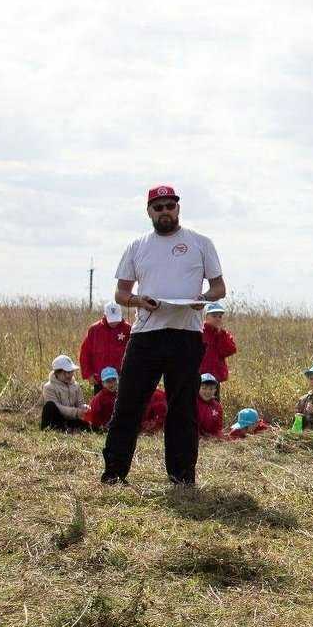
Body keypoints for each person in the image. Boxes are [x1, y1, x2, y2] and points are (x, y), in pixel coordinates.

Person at [100, 185, 225, 485]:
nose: (165, 211)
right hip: (146, 335)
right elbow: (121, 292)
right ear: (149, 212)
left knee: (182, 408)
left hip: (186, 333)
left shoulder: (200, 243)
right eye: (158, 207)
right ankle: (114, 473)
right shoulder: (137, 246)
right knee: (128, 403)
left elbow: (219, 287)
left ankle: (182, 477)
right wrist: (138, 301)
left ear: (178, 209)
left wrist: (204, 299)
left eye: (170, 205)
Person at [78, 302, 131, 385]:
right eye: (111, 319)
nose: (114, 323)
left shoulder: (128, 329)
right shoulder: (94, 330)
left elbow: (135, 353)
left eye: (116, 319)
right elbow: (85, 353)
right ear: (105, 315)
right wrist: (89, 374)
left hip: (122, 379)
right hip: (100, 379)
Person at [40, 355, 91, 432]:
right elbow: (58, 407)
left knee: (91, 426)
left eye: (71, 372)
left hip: (72, 419)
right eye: (67, 372)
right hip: (58, 418)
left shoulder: (76, 385)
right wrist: (77, 412)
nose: (70, 375)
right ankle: (53, 429)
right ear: (57, 372)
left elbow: (80, 403)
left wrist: (84, 408)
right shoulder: (48, 387)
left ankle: (69, 429)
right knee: (49, 406)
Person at [198, 301, 237, 393]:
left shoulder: (222, 334)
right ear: (206, 317)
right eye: (214, 316)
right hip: (200, 377)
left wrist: (220, 334)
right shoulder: (199, 332)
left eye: (220, 316)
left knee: (213, 402)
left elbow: (229, 350)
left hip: (215, 378)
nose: (218, 319)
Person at [85, 367, 120, 431]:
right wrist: (100, 426)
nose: (111, 383)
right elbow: (93, 414)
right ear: (103, 383)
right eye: (108, 381)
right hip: (100, 426)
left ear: (118, 381)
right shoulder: (100, 397)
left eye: (114, 380)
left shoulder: (119, 395)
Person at [196, 373, 224, 439]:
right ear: (197, 388)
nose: (208, 392)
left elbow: (218, 428)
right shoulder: (192, 403)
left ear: (215, 390)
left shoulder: (217, 407)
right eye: (204, 388)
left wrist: (217, 437)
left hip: (210, 440)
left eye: (211, 389)